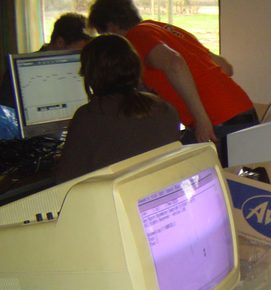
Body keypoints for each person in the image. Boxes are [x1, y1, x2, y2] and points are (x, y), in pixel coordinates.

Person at [87, 0, 257, 167]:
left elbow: (174, 64)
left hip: (218, 123)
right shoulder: (164, 29)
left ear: (112, 27)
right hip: (243, 112)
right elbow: (226, 68)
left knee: (167, 167)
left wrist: (201, 119)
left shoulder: (135, 37)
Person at [53, 34, 180, 183]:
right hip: (156, 193)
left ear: (91, 74)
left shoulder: (88, 117)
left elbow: (66, 180)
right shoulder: (165, 109)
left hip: (112, 197)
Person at [0, 12, 92, 111]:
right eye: (79, 53)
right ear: (60, 42)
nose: (82, 57)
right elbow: (8, 113)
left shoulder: (85, 67)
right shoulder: (17, 71)